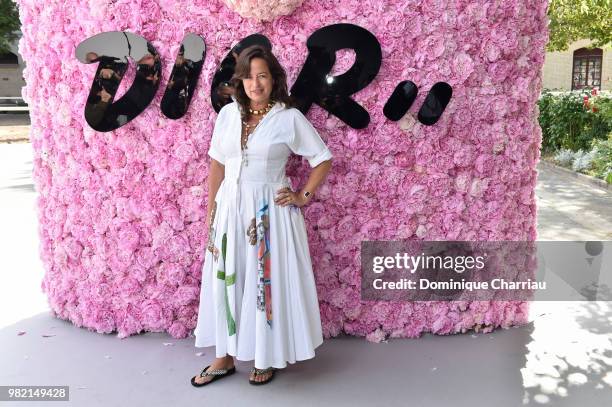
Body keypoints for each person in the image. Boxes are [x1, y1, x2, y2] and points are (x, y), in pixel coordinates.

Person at [191, 45, 333, 386]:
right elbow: (217, 164)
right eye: (249, 77)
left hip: (269, 213)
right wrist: (212, 213)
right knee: (227, 276)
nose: (255, 84)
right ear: (240, 80)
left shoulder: (288, 118)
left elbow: (322, 158)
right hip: (229, 210)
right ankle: (223, 357)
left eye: (263, 76)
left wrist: (302, 196)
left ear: (274, 80)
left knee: (263, 280)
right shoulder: (227, 114)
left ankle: (265, 356)